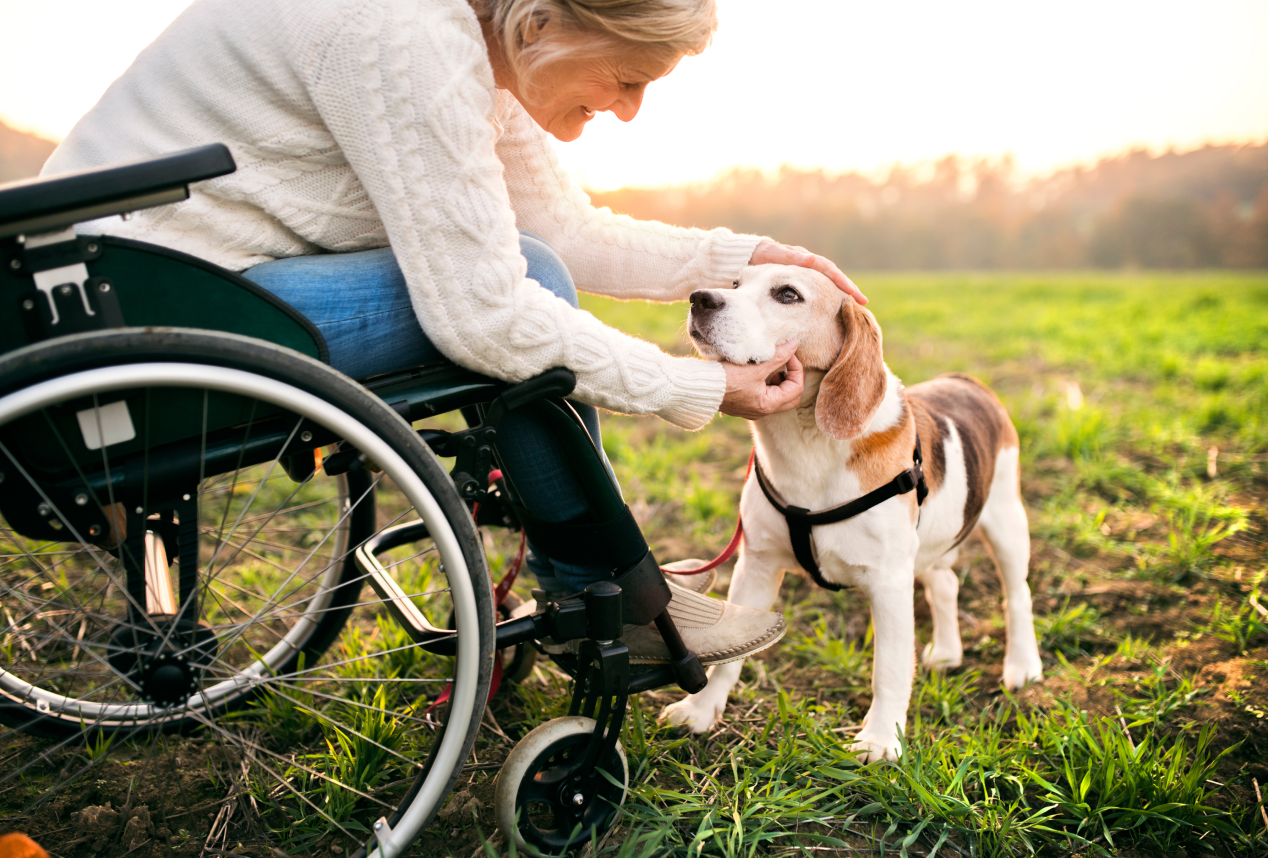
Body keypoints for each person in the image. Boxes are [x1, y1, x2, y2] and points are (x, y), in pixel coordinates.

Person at [43, 0, 867, 665]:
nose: (627, 110)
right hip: (141, 308)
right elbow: (486, 312)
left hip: (99, 289)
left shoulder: (474, 41)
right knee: (522, 286)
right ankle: (606, 594)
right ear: (544, 22)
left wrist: (739, 255)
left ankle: (607, 582)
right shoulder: (404, 34)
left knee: (531, 265)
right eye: (627, 78)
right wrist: (696, 386)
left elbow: (561, 227)